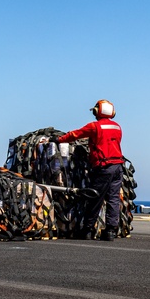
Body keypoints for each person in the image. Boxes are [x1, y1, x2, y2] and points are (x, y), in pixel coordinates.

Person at [57, 99, 125, 241]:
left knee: (95, 198)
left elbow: (75, 134)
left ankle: (87, 230)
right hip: (118, 166)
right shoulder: (117, 127)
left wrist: (59, 140)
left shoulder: (95, 127)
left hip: (103, 167)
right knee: (113, 199)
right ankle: (110, 231)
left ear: (96, 111)